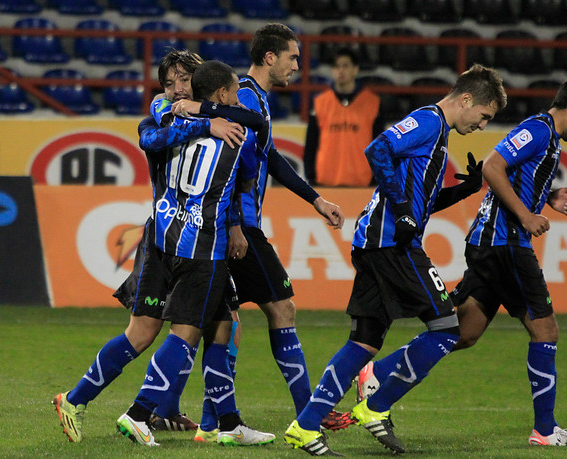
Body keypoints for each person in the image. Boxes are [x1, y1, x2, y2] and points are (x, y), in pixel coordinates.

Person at [355, 73, 567, 448]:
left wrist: (548, 197)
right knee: (546, 329)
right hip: (504, 243)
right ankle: (545, 429)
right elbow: (493, 166)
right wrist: (526, 216)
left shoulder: (546, 137)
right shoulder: (538, 129)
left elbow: (517, 175)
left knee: (465, 331)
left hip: (489, 243)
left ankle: (376, 372)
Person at [284, 64, 507, 456]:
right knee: (447, 328)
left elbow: (420, 204)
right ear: (467, 100)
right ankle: (376, 406)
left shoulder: (437, 136)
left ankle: (304, 427)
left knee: (365, 340)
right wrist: (402, 209)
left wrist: (465, 191)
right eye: (484, 116)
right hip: (390, 245)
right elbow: (378, 148)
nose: (482, 126)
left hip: (378, 243)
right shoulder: (427, 121)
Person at [52, 50, 262, 442]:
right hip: (174, 241)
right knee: (149, 332)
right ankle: (106, 405)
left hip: (194, 236)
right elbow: (152, 138)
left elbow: (234, 167)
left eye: (183, 81)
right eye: (168, 83)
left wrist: (235, 225)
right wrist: (206, 125)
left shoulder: (217, 118)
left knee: (222, 324)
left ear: (199, 84)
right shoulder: (164, 114)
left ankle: (214, 422)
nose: (175, 90)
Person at [188, 23, 350, 442]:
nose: (299, 65)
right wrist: (237, 224)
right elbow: (230, 165)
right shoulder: (238, 96)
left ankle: (213, 423)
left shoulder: (254, 99)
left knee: (224, 322)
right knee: (282, 309)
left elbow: (270, 159)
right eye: (294, 57)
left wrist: (316, 200)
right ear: (271, 57)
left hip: (228, 225)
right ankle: (310, 414)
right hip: (235, 226)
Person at [115, 60, 275, 447]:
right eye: (234, 91)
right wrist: (212, 117)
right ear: (222, 94)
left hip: (171, 236)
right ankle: (139, 412)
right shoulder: (239, 132)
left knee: (224, 327)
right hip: (206, 246)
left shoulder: (173, 127)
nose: (238, 97)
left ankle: (228, 423)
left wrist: (194, 112)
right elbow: (253, 157)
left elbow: (151, 137)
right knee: (186, 333)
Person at [303, 47, 383, 187]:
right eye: (336, 66)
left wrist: (376, 180)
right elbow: (311, 145)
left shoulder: (372, 103)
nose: (340, 70)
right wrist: (311, 178)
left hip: (362, 185)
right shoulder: (320, 103)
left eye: (345, 66)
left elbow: (380, 147)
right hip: (325, 184)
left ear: (355, 69)